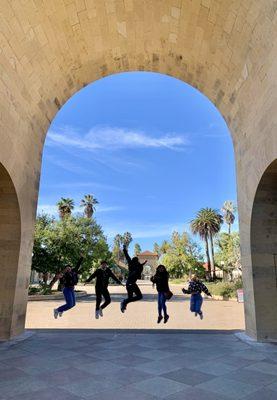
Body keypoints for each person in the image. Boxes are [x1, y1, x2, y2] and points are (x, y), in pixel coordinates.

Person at [120, 244, 147, 313]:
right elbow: (127, 256)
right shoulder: (136, 265)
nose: (138, 262)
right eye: (137, 261)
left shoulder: (131, 264)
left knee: (130, 298)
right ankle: (124, 302)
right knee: (139, 296)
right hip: (131, 283)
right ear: (136, 261)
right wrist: (124, 249)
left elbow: (127, 256)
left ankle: (123, 304)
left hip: (128, 284)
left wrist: (124, 249)